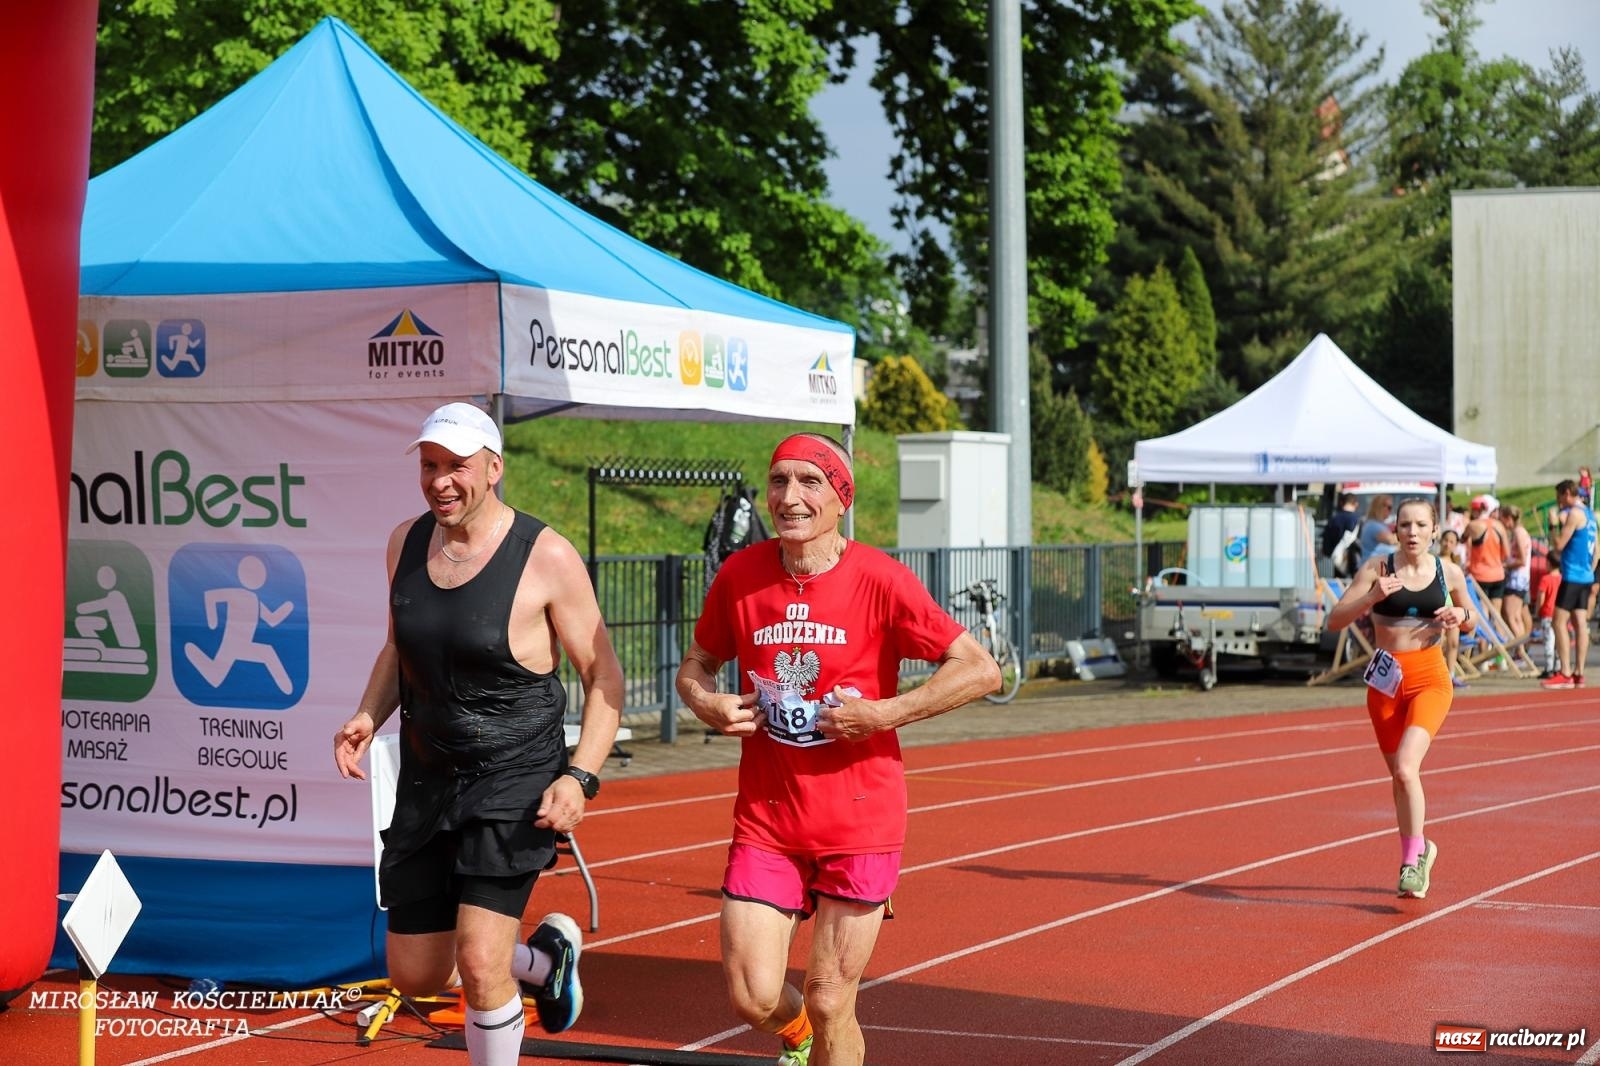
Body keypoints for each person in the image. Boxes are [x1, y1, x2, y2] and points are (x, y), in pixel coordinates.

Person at [675, 432, 1001, 1066]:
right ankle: (796, 1042)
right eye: (779, 481)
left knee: (830, 998)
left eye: (809, 482)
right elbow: (699, 663)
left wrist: (883, 713)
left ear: (841, 496)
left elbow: (980, 668)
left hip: (859, 819)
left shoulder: (881, 579)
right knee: (751, 995)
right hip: (768, 820)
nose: (789, 497)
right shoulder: (741, 576)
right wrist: (704, 701)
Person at [333, 402, 625, 1066]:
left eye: (457, 467)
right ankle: (544, 960)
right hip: (429, 775)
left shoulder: (544, 555)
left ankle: (509, 980)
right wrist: (366, 716)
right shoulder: (403, 544)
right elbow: (396, 650)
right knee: (417, 975)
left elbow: (602, 673)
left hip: (513, 777)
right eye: (430, 466)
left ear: (493, 469)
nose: (441, 481)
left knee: (479, 957)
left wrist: (580, 775)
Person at [1327, 498, 1475, 900]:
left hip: (1430, 678)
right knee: (1398, 778)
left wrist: (1460, 617)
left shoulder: (1448, 571)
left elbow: (1471, 615)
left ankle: (1410, 862)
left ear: (1433, 530)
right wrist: (1371, 597)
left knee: (1407, 770)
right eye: (1405, 525)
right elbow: (1334, 620)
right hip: (1385, 683)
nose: (1412, 532)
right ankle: (1421, 848)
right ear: (1395, 529)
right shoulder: (1376, 570)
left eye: (1420, 525)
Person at [1542, 478, 1597, 689]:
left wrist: (1554, 523)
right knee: (1580, 623)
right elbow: (1597, 550)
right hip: (1585, 576)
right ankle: (1579, 672)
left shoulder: (1574, 513)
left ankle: (1565, 671)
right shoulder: (1591, 515)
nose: (1558, 502)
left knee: (1558, 621)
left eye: (1558, 497)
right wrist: (1589, 571)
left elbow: (1558, 545)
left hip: (1573, 576)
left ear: (1566, 493)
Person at [1464, 494, 1508, 622]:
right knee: (1497, 614)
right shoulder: (1499, 525)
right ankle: (1500, 641)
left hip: (1480, 575)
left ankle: (1484, 642)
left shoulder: (1473, 525)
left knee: (1484, 614)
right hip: (1498, 574)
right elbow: (1507, 553)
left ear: (1475, 510)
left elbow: (1462, 539)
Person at [1499, 505, 1533, 641]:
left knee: (1511, 616)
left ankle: (1520, 650)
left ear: (1508, 518)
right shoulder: (1519, 532)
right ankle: (1521, 650)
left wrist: (1505, 565)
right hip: (1520, 578)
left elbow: (1522, 560)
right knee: (1517, 617)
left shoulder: (1519, 532)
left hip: (1517, 579)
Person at [1532, 549, 1563, 678]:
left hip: (1547, 613)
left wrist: (1537, 610)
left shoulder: (1545, 579)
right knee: (1559, 641)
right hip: (1559, 613)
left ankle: (1549, 668)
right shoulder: (1562, 578)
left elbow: (1541, 597)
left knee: (1548, 641)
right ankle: (1558, 667)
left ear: (1549, 563)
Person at [1320, 492, 1362, 577]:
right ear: (1356, 504)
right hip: (1349, 561)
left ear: (1342, 503)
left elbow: (1326, 539)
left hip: (1331, 560)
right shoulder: (1355, 519)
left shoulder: (1333, 518)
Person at [1358, 495, 1398, 562]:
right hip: (1372, 569)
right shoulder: (1373, 525)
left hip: (1376, 567)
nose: (1391, 510)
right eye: (1389, 507)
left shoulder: (1375, 523)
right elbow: (1391, 540)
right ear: (1379, 507)